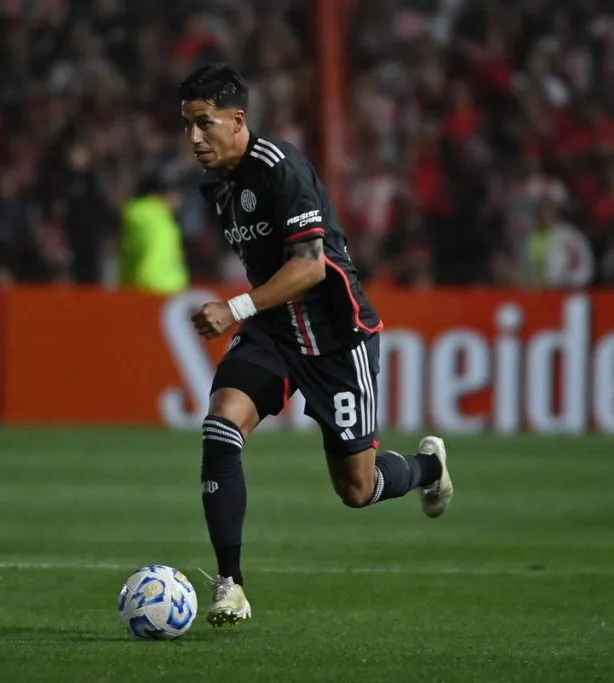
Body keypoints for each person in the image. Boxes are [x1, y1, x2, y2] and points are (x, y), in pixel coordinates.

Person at [179, 63, 454, 626]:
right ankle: (230, 584)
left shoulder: (283, 170)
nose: (193, 138)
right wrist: (251, 315)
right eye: (187, 125)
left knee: (356, 488)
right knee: (220, 426)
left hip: (334, 336)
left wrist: (233, 309)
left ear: (238, 120)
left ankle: (427, 469)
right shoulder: (215, 186)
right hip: (273, 331)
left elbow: (309, 267)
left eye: (204, 124)